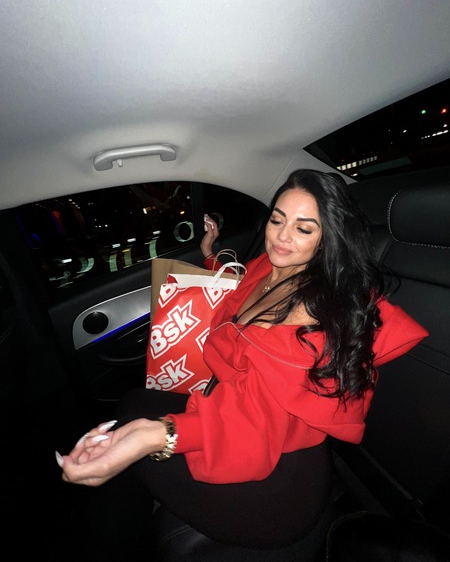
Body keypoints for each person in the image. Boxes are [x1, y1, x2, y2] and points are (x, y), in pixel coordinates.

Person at [56, 169, 428, 559]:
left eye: (303, 229)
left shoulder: (308, 318)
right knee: (134, 403)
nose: (282, 237)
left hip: (275, 481)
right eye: (277, 220)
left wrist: (155, 436)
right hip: (239, 412)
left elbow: (255, 425)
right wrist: (210, 254)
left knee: (130, 457)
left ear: (327, 240)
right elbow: (239, 287)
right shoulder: (272, 268)